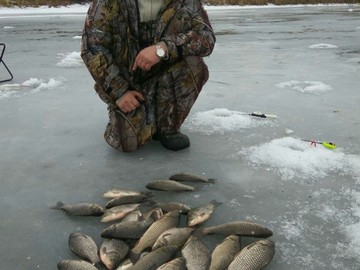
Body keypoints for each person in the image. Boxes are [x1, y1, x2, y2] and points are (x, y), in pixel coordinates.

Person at [81, 0, 216, 152]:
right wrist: (119, 92)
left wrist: (164, 48)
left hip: (167, 78)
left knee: (193, 63)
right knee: (126, 141)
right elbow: (92, 49)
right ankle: (137, 114)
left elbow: (207, 38)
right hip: (128, 84)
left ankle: (168, 126)